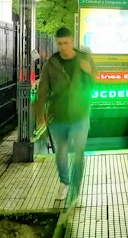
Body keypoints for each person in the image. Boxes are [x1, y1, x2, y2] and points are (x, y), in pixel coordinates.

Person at [35, 27, 97, 205]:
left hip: (80, 114)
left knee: (79, 154)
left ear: (72, 41)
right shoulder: (51, 63)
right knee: (61, 153)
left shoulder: (84, 59)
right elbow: (43, 90)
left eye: (66, 43)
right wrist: (41, 113)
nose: (63, 47)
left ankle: (76, 189)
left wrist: (89, 72)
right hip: (58, 114)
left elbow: (94, 83)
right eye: (60, 43)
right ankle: (64, 182)